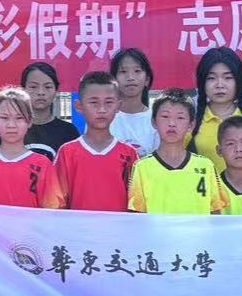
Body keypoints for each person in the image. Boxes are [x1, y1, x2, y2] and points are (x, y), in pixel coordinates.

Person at [0, 88, 62, 209]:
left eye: (19, 118)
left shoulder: (42, 164)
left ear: (30, 121)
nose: (11, 125)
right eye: (4, 118)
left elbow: (53, 209)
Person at [53, 72, 140, 212]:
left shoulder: (129, 154)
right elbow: (57, 204)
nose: (102, 110)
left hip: (120, 226)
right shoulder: (67, 152)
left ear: (118, 106)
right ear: (79, 106)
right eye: (94, 103)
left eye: (109, 102)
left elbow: (136, 204)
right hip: (78, 226)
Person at [128, 92, 226, 215]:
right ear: (154, 122)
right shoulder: (142, 167)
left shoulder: (206, 166)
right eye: (165, 116)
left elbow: (215, 212)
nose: (172, 124)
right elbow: (137, 215)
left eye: (180, 118)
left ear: (191, 125)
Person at [21, 62, 80, 158]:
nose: (41, 92)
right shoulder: (14, 129)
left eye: (48, 87)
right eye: (33, 87)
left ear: (56, 91)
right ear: (23, 90)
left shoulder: (68, 131)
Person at [108, 47, 157, 155]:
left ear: (147, 80)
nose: (130, 77)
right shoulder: (104, 118)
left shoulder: (157, 120)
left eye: (137, 71)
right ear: (113, 80)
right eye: (123, 71)